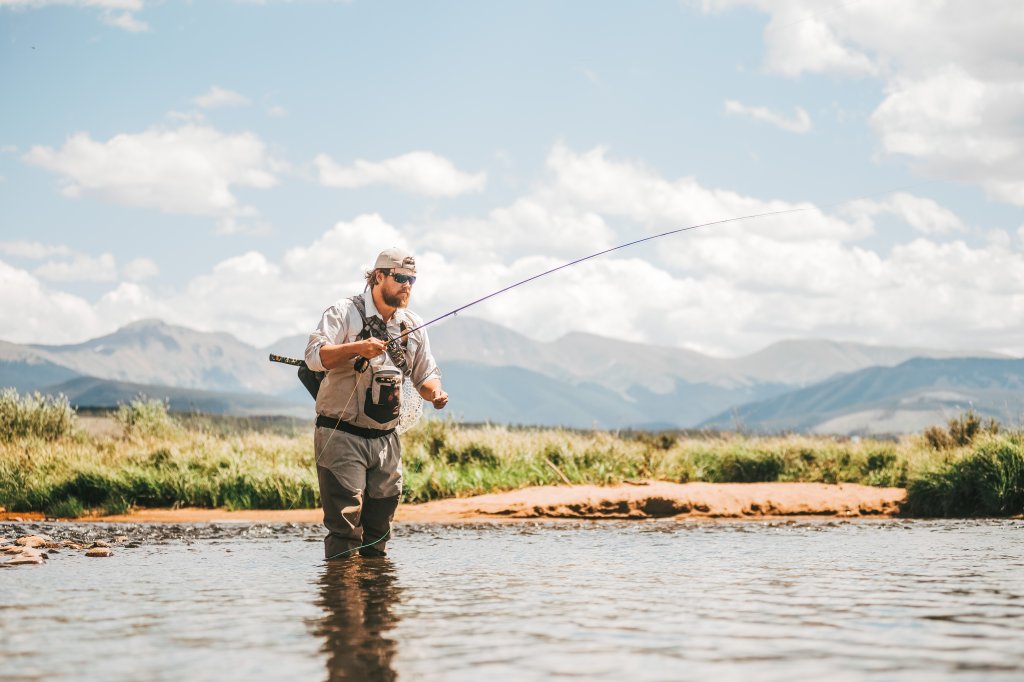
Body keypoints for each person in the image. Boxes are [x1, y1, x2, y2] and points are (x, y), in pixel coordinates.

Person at [305, 247, 448, 560]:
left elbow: (425, 375)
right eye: (400, 278)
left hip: (386, 439)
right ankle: (342, 602)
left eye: (412, 279)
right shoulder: (343, 312)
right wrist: (358, 347)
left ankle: (377, 602)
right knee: (345, 527)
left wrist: (435, 393)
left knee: (380, 528)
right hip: (340, 433)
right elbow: (315, 357)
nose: (407, 285)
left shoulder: (411, 325)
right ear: (378, 276)